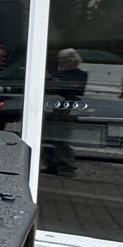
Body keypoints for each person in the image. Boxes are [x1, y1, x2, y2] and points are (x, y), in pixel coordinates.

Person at [43, 48, 87, 176]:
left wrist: (51, 81)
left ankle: (66, 166)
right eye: (60, 59)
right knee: (48, 138)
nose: (60, 62)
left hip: (67, 109)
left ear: (72, 60)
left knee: (61, 138)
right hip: (52, 107)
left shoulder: (80, 75)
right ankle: (51, 164)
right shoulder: (58, 74)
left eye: (63, 59)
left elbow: (74, 90)